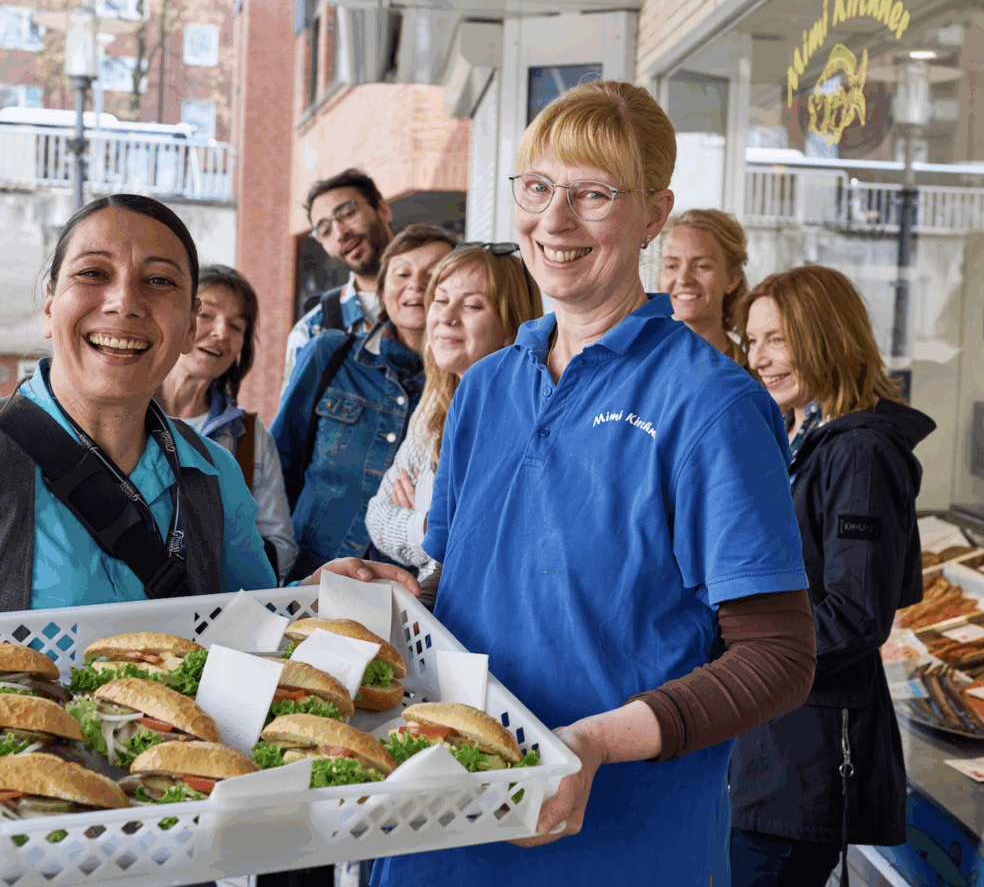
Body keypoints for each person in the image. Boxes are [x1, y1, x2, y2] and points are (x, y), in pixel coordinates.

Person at [303, 80, 818, 886]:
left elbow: (780, 655)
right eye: (538, 188)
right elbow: (466, 590)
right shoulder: (486, 387)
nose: (554, 220)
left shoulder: (711, 404)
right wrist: (396, 594)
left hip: (618, 847)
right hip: (441, 823)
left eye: (593, 195)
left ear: (653, 212)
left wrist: (597, 741)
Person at [729, 266, 934, 886]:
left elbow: (855, 614)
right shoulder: (805, 438)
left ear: (825, 337)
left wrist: (739, 657)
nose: (759, 359)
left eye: (777, 340)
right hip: (773, 746)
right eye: (752, 341)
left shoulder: (860, 451)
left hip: (806, 762)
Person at [0, 194, 277, 612]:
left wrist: (319, 596)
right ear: (51, 303)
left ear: (188, 325)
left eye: (159, 281)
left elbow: (258, 627)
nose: (125, 303)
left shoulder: (214, 473)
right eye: (93, 273)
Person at [272, 224, 456, 582]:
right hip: (311, 576)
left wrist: (410, 518)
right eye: (402, 273)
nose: (416, 285)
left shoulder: (461, 388)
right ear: (383, 288)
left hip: (408, 591)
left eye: (433, 274)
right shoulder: (330, 354)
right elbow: (280, 466)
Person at [365, 243, 543, 594]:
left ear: (513, 328)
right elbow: (377, 518)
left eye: (473, 305)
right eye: (441, 300)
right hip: (435, 605)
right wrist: (432, 523)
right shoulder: (434, 404)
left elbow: (476, 546)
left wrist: (423, 519)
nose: (447, 317)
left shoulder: (526, 420)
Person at [157, 265, 298, 582]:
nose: (221, 332)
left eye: (236, 326)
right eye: (206, 315)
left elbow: (279, 545)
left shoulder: (250, 438)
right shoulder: (123, 414)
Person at [282, 169, 395, 391]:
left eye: (348, 213)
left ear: (383, 209)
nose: (340, 233)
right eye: (325, 230)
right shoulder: (313, 331)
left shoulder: (442, 302)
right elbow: (292, 423)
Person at [659, 208, 749, 360]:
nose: (683, 279)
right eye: (672, 266)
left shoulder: (754, 375)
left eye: (702, 266)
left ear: (732, 278)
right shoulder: (635, 365)